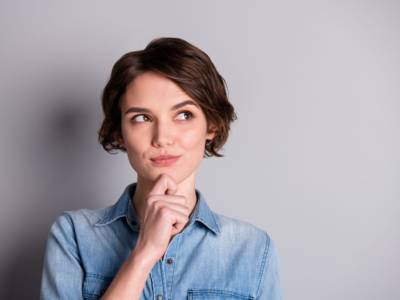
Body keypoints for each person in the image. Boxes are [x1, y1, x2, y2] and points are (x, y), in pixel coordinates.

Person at [40, 37, 282, 300]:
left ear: (211, 125)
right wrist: (145, 253)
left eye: (183, 115)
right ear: (120, 132)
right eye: (142, 118)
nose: (162, 137)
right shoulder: (74, 235)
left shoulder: (252, 248)